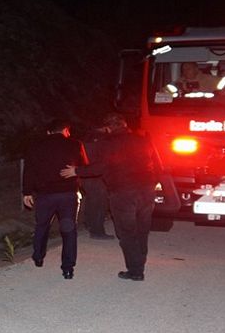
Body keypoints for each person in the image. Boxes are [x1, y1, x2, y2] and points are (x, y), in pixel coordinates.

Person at [60, 113, 161, 281]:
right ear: (125, 125)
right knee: (142, 229)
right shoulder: (143, 140)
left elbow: (100, 167)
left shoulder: (108, 143)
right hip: (146, 190)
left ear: (107, 128)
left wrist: (76, 171)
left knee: (127, 231)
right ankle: (139, 263)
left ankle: (135, 270)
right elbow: (158, 164)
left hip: (123, 192)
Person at [22, 119, 88, 280]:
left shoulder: (36, 145)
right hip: (68, 194)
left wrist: (27, 192)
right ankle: (68, 268)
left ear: (48, 132)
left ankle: (38, 257)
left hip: (45, 194)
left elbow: (29, 169)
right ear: (65, 130)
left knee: (42, 226)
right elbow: (84, 166)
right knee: (69, 229)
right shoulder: (75, 144)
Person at [79, 126, 114, 239]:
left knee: (91, 200)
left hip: (85, 174)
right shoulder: (104, 140)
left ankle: (89, 223)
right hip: (97, 175)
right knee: (100, 203)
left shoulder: (86, 138)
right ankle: (97, 230)